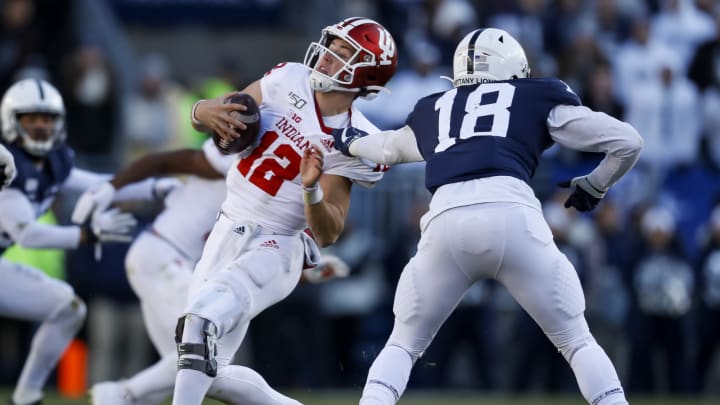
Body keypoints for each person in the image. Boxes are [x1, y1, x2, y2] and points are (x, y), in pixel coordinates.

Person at [332, 28, 643, 405]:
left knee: (402, 344)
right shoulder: (537, 94)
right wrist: (595, 185)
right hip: (512, 214)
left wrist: (348, 140)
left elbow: (388, 148)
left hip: (445, 220)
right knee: (576, 341)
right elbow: (628, 142)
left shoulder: (436, 106)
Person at [169, 17, 397, 405]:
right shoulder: (288, 78)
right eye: (331, 46)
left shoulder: (358, 140)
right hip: (227, 227)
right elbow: (227, 116)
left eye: (343, 54)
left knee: (198, 327)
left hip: (276, 246)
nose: (326, 57)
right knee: (211, 370)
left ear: (365, 76)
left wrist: (310, 188)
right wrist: (201, 110)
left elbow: (328, 233)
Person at [72, 139, 350, 405]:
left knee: (191, 362)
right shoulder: (237, 158)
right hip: (165, 255)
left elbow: (244, 254)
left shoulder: (272, 188)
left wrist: (301, 272)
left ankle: (120, 396)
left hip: (172, 261)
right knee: (202, 357)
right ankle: (122, 394)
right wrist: (110, 187)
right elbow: (165, 161)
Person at [0, 78, 140, 405]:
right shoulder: (9, 164)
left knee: (67, 307)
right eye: (32, 119)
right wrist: (87, 235)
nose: (40, 127)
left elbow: (102, 184)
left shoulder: (53, 164)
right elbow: (28, 235)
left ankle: (28, 395)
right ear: (11, 119)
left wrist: (161, 185)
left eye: (46, 119)